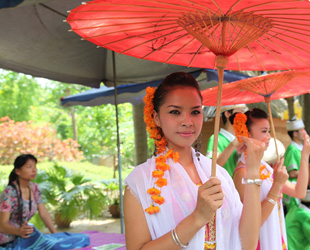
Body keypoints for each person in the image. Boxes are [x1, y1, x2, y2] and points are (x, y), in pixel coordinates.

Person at [124, 72, 265, 250]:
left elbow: (247, 244)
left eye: (195, 112)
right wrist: (198, 217)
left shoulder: (218, 174)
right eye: (175, 112)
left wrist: (253, 170)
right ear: (156, 118)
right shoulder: (140, 181)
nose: (188, 121)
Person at [232, 108, 310, 250]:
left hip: (276, 237)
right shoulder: (242, 173)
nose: (268, 136)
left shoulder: (266, 168)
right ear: (247, 134)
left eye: (268, 131)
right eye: (263, 131)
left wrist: (304, 156)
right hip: (259, 242)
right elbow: (254, 222)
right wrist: (276, 186)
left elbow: (300, 192)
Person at [0, 154, 57, 247]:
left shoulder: (34, 188)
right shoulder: (9, 192)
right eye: (29, 167)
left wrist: (55, 234)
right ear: (17, 171)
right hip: (7, 240)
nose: (34, 170)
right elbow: (2, 225)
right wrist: (19, 231)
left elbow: (43, 213)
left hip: (24, 237)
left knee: (74, 240)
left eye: (35, 167)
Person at [206, 104, 246, 176]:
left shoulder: (243, 139)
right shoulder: (216, 139)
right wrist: (233, 144)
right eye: (240, 111)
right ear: (227, 114)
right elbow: (212, 166)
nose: (243, 116)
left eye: (243, 112)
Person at [283, 117, 307, 211]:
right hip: (293, 190)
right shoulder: (292, 150)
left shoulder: (300, 147)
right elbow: (292, 173)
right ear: (295, 133)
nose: (304, 132)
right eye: (302, 130)